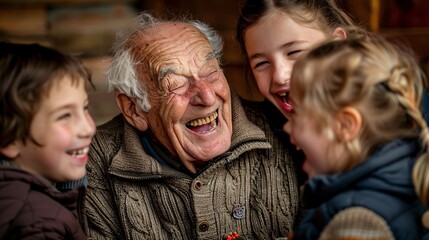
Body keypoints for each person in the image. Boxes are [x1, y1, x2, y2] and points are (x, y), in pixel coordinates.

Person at [81, 12, 300, 239]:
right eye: (176, 84)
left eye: (211, 73)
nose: (206, 96)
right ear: (133, 109)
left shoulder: (287, 131)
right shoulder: (91, 164)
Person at [284, 35, 429, 239]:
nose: (287, 127)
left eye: (296, 114)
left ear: (345, 125)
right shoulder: (399, 182)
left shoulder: (357, 224)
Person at [0, 42, 96, 239]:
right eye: (64, 116)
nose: (88, 128)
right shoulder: (41, 224)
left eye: (84, 108)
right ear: (9, 140)